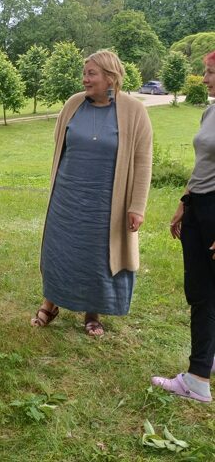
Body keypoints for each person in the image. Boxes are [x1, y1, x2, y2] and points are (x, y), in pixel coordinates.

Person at [30, 50, 152, 336]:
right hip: (67, 196)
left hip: (106, 202)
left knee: (97, 257)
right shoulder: (73, 104)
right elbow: (60, 144)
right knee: (61, 251)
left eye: (91, 74)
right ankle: (50, 304)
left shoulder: (134, 111)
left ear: (110, 77)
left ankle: (92, 313)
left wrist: (137, 206)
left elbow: (144, 161)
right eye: (84, 73)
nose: (85, 79)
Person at [151, 51, 215, 403]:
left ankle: (197, 380)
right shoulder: (210, 111)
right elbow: (203, 165)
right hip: (198, 206)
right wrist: (183, 203)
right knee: (202, 291)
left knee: (204, 294)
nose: (204, 79)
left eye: (211, 73)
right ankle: (209, 358)